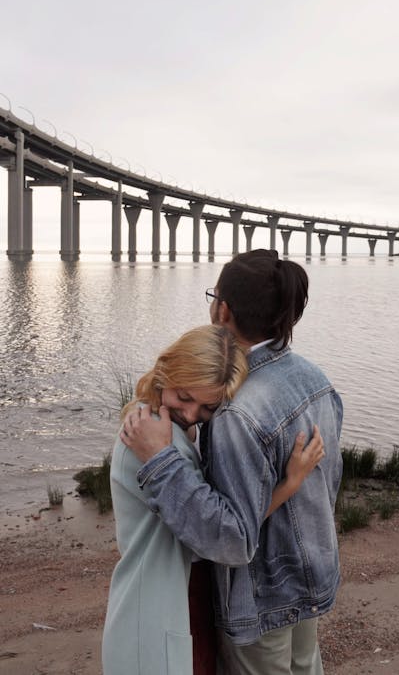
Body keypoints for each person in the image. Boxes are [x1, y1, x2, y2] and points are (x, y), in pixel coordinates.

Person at [122, 250, 343, 675]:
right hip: (312, 571)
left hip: (260, 596)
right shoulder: (316, 379)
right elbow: (330, 479)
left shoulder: (235, 412)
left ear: (222, 309)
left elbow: (231, 540)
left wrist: (161, 462)